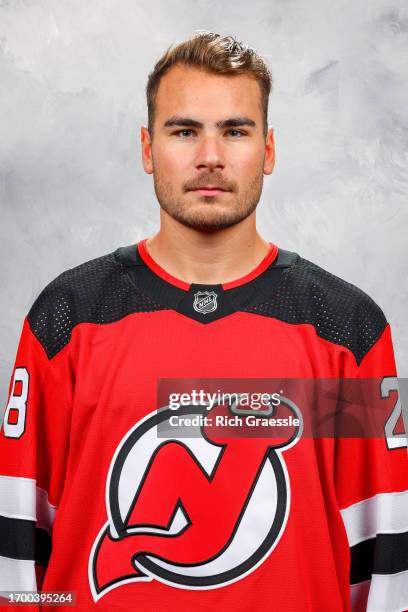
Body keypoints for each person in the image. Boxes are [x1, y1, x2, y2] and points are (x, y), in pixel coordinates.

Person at [0, 31, 407, 612]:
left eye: (235, 131)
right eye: (184, 130)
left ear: (268, 149)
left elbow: (387, 559)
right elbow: (18, 556)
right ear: (147, 148)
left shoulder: (352, 331)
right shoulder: (66, 319)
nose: (210, 156)